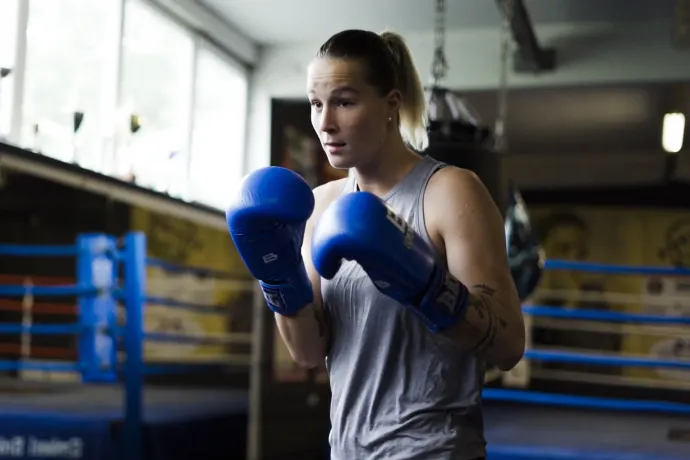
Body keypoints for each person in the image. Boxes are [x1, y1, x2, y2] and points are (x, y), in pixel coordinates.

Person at [227, 29, 525, 460]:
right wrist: (277, 277)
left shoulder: (450, 193)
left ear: (391, 104)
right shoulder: (320, 206)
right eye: (316, 103)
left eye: (344, 102)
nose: (325, 122)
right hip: (347, 449)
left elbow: (509, 345)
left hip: (435, 450)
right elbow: (308, 352)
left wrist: (426, 286)